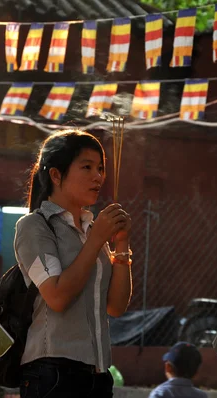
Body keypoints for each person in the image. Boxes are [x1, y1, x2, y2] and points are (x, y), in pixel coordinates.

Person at [14, 130, 133, 398]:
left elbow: (115, 306)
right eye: (87, 167)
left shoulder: (92, 230)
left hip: (98, 373)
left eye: (100, 168)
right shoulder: (34, 226)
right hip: (52, 373)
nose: (98, 177)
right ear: (56, 175)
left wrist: (122, 244)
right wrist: (98, 239)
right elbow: (56, 297)